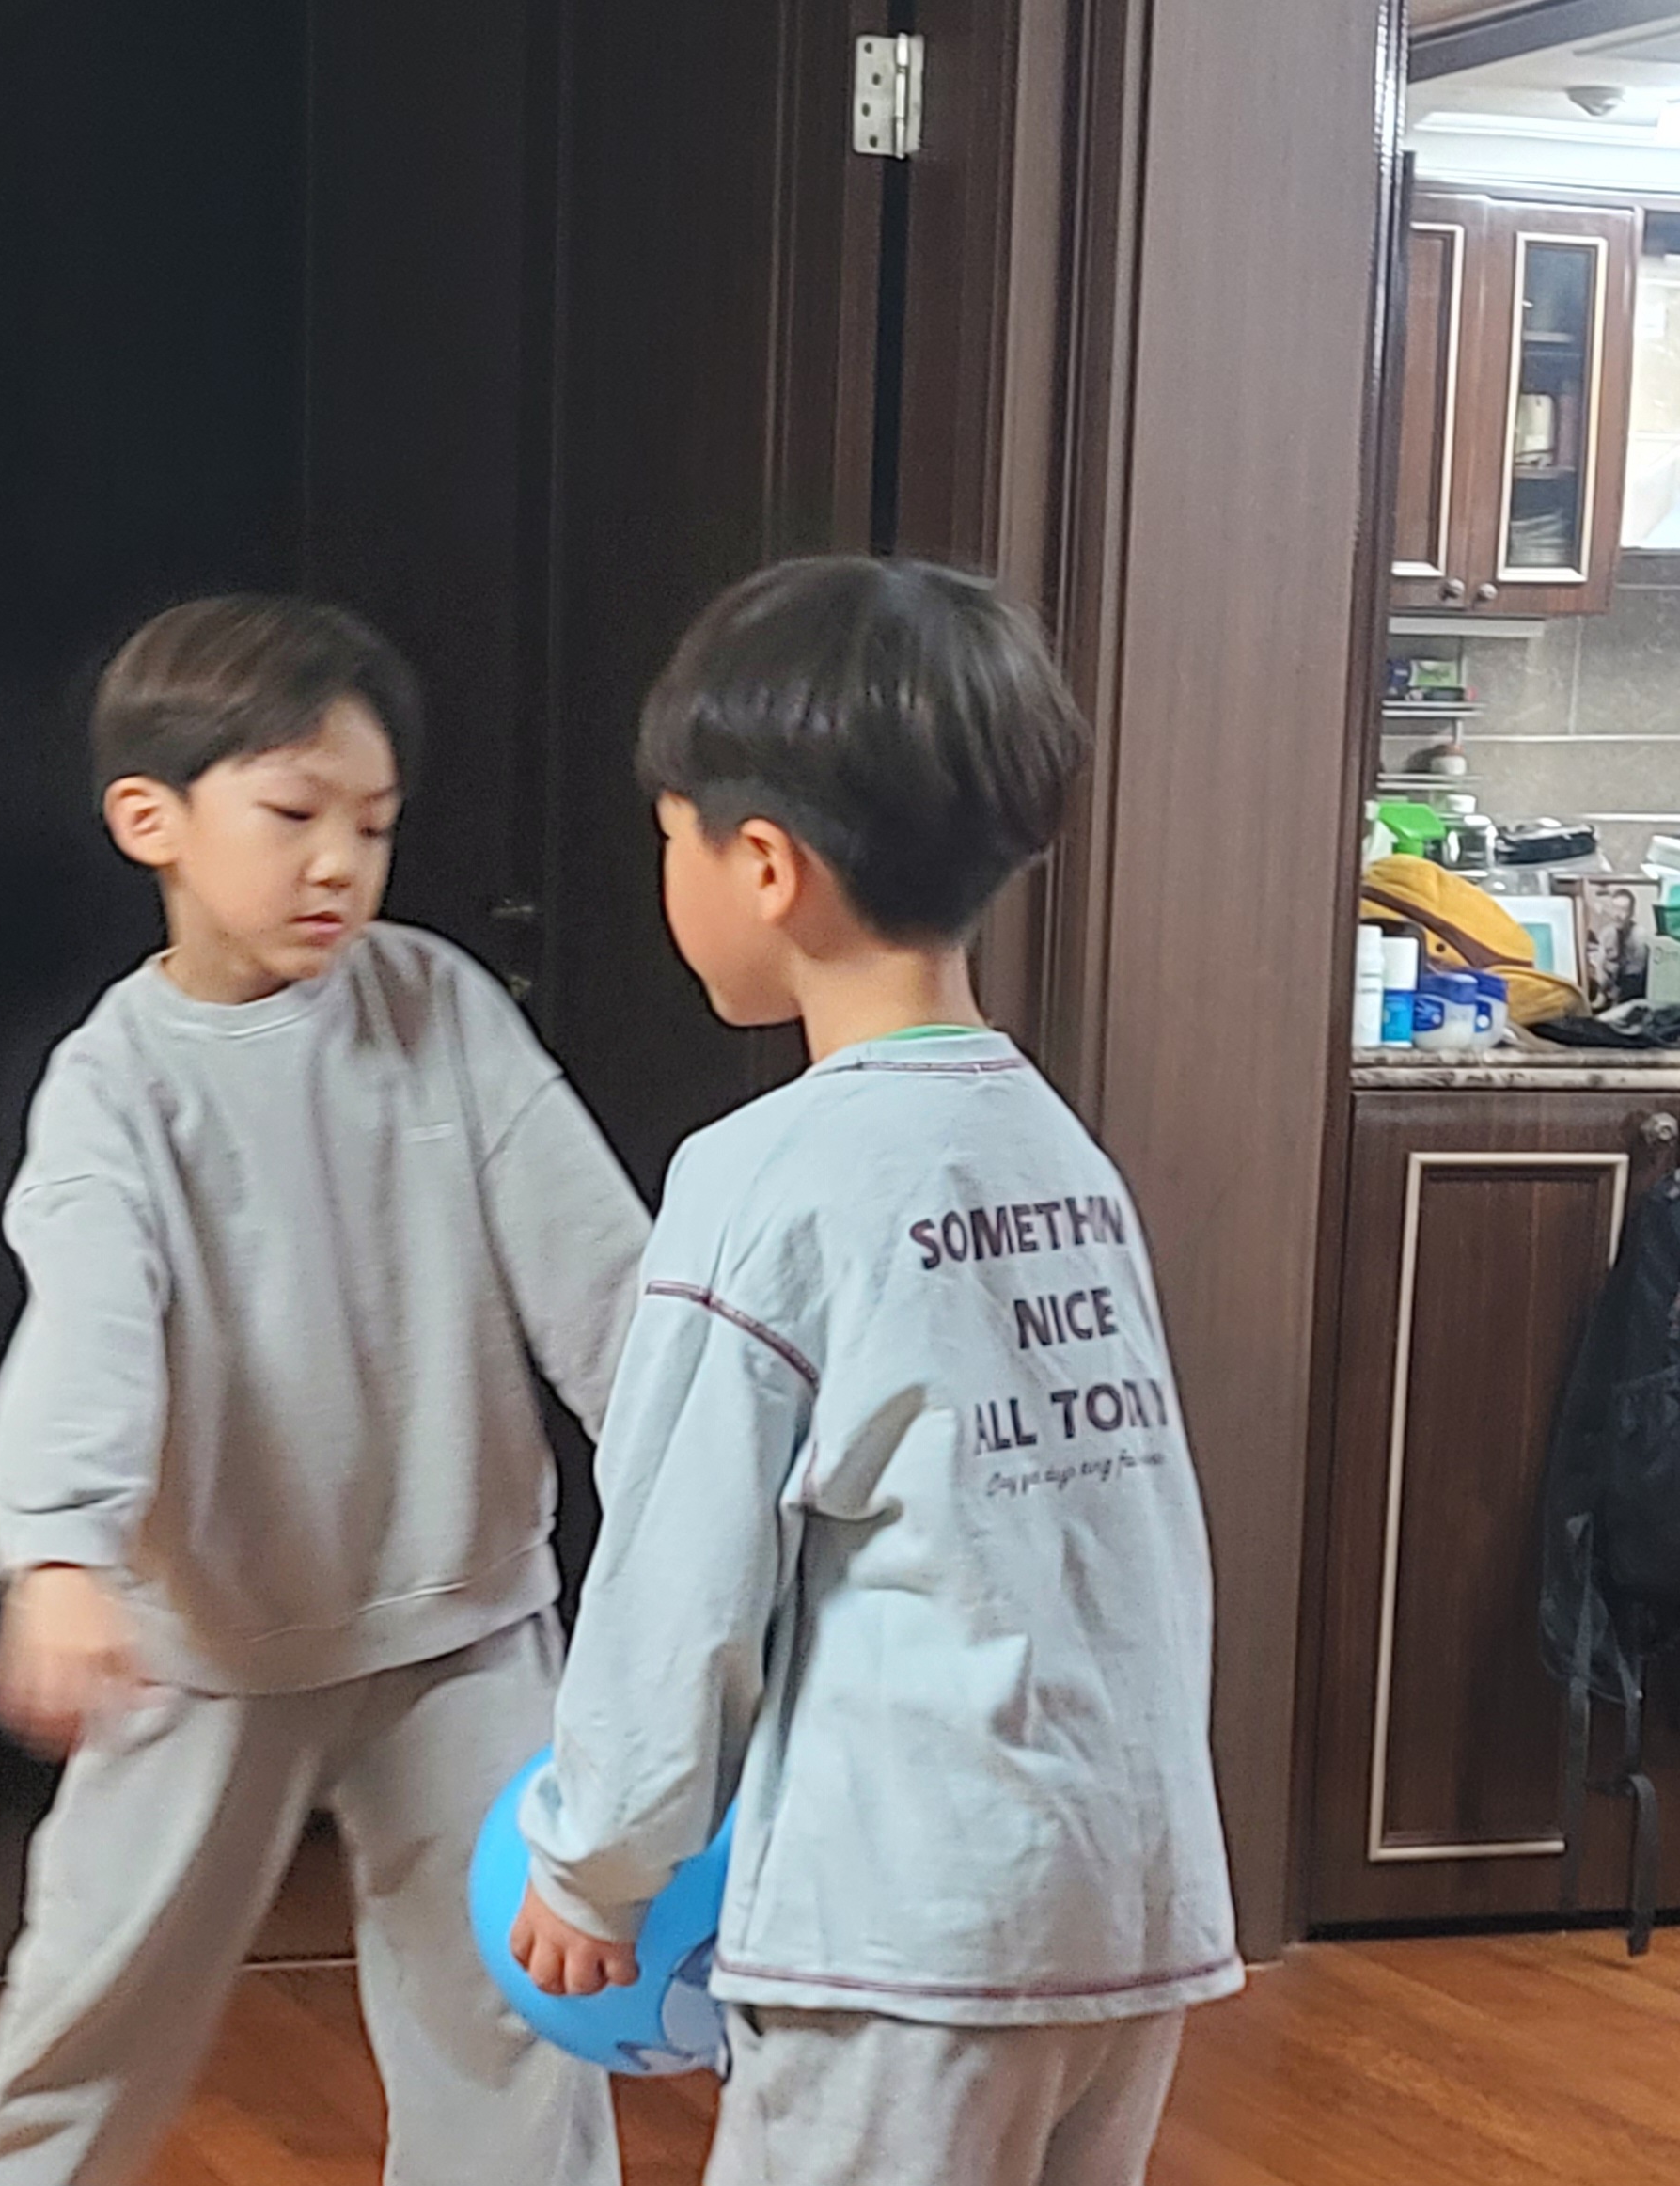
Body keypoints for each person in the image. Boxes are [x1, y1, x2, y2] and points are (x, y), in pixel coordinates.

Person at [510, 557, 1242, 2186]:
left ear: (762, 864)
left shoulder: (761, 1179)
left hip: (903, 1926)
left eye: (671, 838)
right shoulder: (1054, 1152)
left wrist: (594, 1862)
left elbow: (676, 1577)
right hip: (1123, 1907)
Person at [0, 597, 648, 2186]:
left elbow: (602, 1275)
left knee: (517, 2017)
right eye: (294, 814)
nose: (340, 863)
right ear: (151, 819)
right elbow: (88, 1324)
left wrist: (714, 1471)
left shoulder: (437, 1002)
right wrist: (57, 1551)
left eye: (372, 826)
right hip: (201, 1644)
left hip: (464, 1619)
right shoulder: (115, 1083)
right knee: (88, 2019)